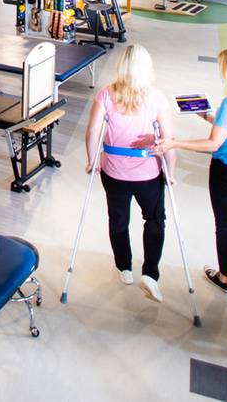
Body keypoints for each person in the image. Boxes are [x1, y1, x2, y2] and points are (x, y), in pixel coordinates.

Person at [154, 48, 227, 330]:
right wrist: (208, 117)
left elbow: (213, 145)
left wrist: (174, 143)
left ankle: (225, 277)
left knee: (224, 227)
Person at [84, 45, 174, 303]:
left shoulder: (105, 95)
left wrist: (92, 161)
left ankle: (124, 267)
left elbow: (92, 132)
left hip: (113, 172)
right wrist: (172, 172)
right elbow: (168, 140)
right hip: (148, 174)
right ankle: (150, 273)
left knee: (118, 219)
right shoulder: (157, 97)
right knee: (155, 219)